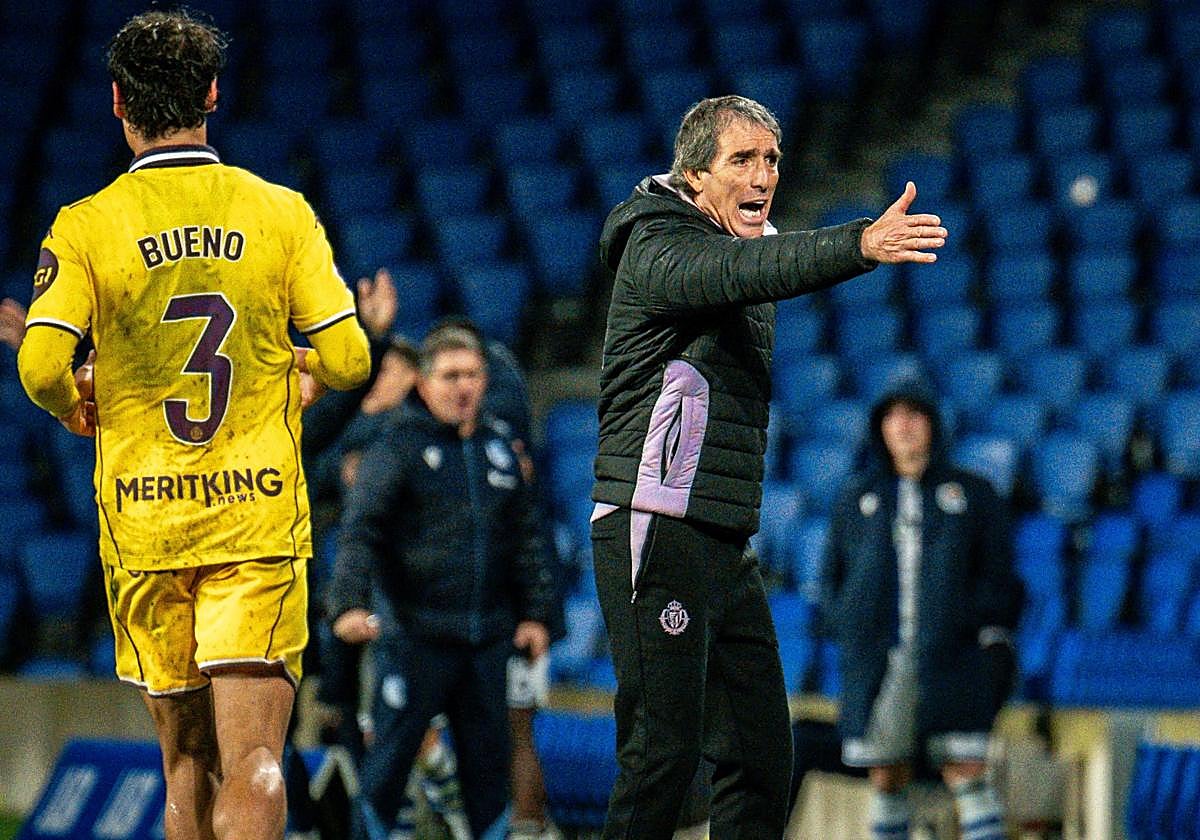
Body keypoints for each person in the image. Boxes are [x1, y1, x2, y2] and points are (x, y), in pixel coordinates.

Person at [16, 10, 371, 840]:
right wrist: (303, 373)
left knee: (184, 765)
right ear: (213, 93)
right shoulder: (279, 211)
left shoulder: (85, 224)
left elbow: (37, 367)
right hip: (253, 521)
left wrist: (75, 400)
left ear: (117, 103)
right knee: (257, 761)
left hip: (145, 522)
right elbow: (351, 358)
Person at [590, 94, 949, 838]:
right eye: (742, 160)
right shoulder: (656, 244)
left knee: (760, 756)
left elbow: (753, 267)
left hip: (722, 539)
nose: (763, 175)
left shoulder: (735, 251)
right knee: (663, 753)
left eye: (773, 159)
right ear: (693, 175)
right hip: (655, 522)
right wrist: (858, 244)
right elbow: (741, 271)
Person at [327, 324, 556, 839]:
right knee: (384, 775)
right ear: (425, 384)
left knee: (488, 783)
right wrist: (346, 605)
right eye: (451, 375)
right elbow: (361, 530)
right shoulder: (398, 446)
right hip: (414, 640)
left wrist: (537, 615)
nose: (463, 387)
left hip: (485, 643)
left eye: (473, 374)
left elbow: (526, 540)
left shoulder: (499, 449)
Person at [821, 383, 1023, 840]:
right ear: (881, 429)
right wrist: (849, 620)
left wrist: (965, 622)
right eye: (893, 416)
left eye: (915, 414)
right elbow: (831, 578)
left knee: (966, 769)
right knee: (886, 775)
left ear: (933, 424)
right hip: (880, 660)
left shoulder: (974, 494)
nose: (905, 426)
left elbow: (1001, 578)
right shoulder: (856, 499)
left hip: (954, 657)